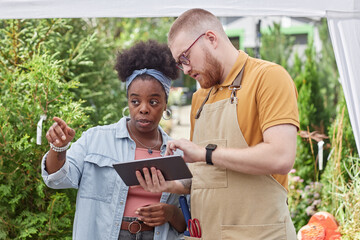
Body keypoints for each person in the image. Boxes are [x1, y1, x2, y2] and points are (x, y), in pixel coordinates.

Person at [137, 8, 300, 240]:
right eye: (179, 64)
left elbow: (281, 157)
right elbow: (208, 175)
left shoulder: (268, 77)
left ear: (211, 38)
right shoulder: (199, 98)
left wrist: (205, 153)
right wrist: (169, 184)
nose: (186, 69)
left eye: (186, 57)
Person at [41, 40, 187, 240]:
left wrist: (171, 213)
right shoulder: (96, 139)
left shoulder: (177, 153)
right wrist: (59, 149)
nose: (143, 108)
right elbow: (56, 180)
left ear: (165, 103)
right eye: (135, 101)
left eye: (153, 101)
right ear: (128, 101)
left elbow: (189, 222)